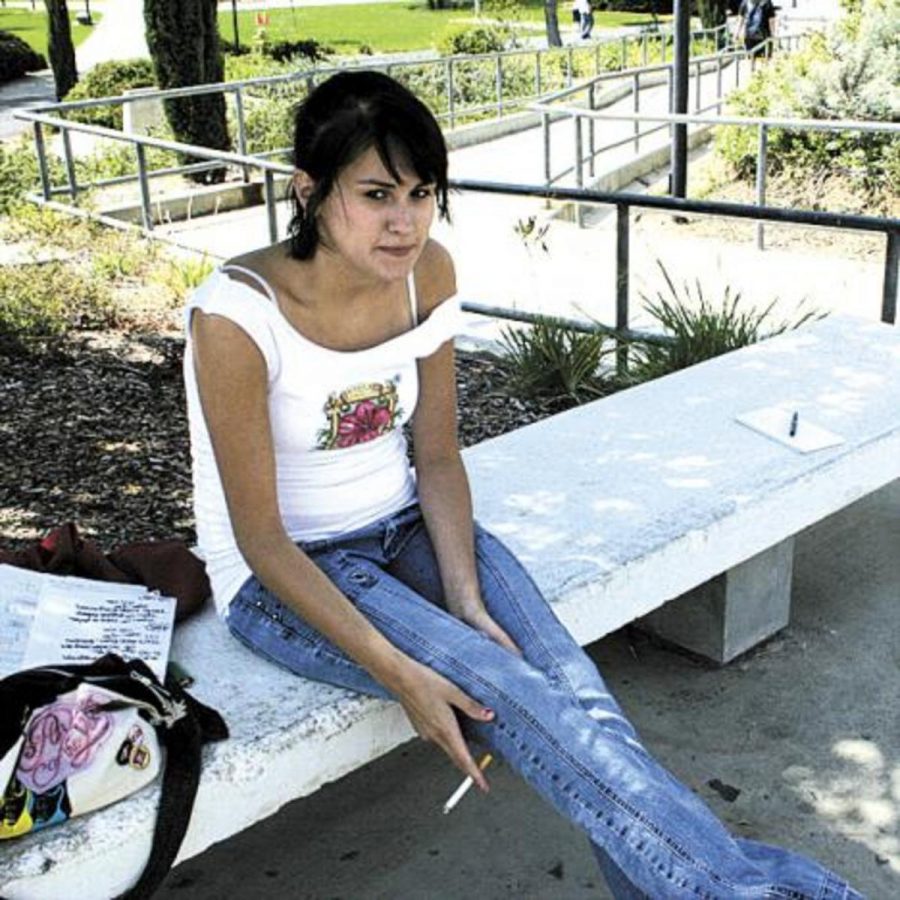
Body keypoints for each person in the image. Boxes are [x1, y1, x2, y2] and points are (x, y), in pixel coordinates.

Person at [183, 70, 863, 899]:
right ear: (309, 190)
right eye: (375, 193)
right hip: (285, 577)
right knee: (512, 696)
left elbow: (435, 455)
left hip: (403, 529)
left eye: (423, 192)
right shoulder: (237, 316)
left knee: (583, 703)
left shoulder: (424, 272)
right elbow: (260, 535)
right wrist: (405, 673)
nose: (405, 220)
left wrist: (467, 598)